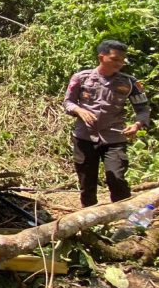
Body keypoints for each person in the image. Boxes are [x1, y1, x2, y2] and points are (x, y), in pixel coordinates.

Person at [63, 40, 150, 207]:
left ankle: (126, 218)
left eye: (122, 60)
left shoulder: (130, 83)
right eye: (115, 59)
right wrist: (79, 111)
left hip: (114, 138)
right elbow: (68, 103)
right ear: (101, 58)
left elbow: (143, 109)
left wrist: (137, 125)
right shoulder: (81, 78)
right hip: (84, 137)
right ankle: (88, 221)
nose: (120, 63)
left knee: (117, 179)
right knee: (87, 183)